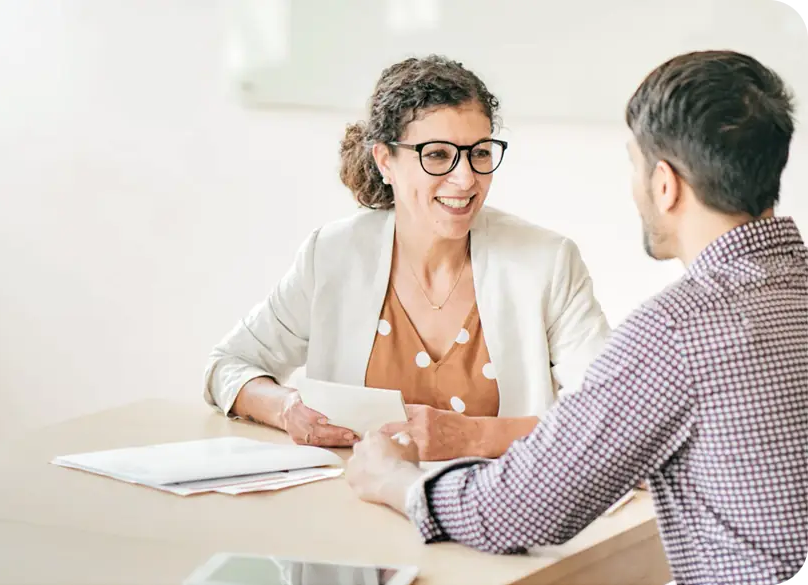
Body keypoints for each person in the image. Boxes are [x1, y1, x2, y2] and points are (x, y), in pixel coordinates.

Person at [345, 49, 808, 585]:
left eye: (633, 165)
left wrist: (393, 479)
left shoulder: (678, 332)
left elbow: (518, 509)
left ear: (665, 184)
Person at [203, 55, 611, 461]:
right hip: (354, 508)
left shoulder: (547, 262)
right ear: (385, 161)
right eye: (437, 155)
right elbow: (228, 366)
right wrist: (287, 408)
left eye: (480, 153)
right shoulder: (331, 254)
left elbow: (610, 418)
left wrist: (475, 437)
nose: (466, 178)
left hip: (496, 514)